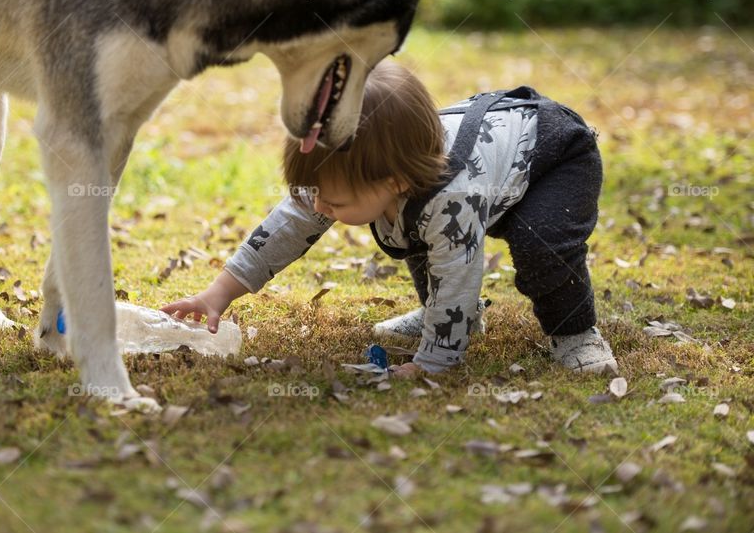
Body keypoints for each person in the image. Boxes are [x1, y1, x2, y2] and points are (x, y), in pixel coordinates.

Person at [161, 61, 618, 376]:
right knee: (409, 229)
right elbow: (290, 225)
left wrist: (434, 363)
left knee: (542, 248)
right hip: (473, 171)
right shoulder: (350, 175)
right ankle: (443, 315)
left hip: (554, 159)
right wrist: (218, 293)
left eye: (334, 205)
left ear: (395, 179)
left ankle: (575, 334)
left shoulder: (449, 199)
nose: (321, 210)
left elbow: (458, 271)